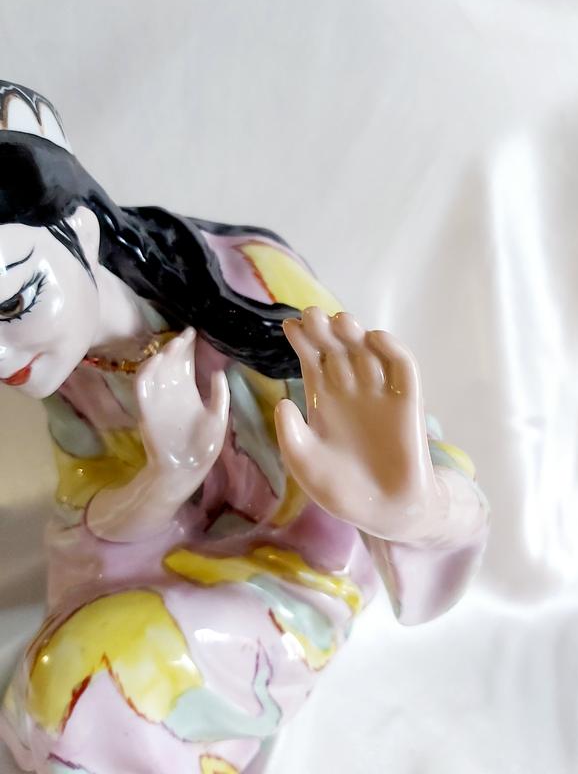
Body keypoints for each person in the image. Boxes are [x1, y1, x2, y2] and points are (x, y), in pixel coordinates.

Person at [0, 80, 489, 774]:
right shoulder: (67, 359)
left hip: (288, 580)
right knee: (45, 691)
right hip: (160, 568)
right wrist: (169, 475)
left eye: (15, 303)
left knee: (84, 697)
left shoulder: (251, 289)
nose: (2, 357)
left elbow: (414, 461)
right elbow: (83, 525)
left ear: (78, 227)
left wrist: (410, 510)